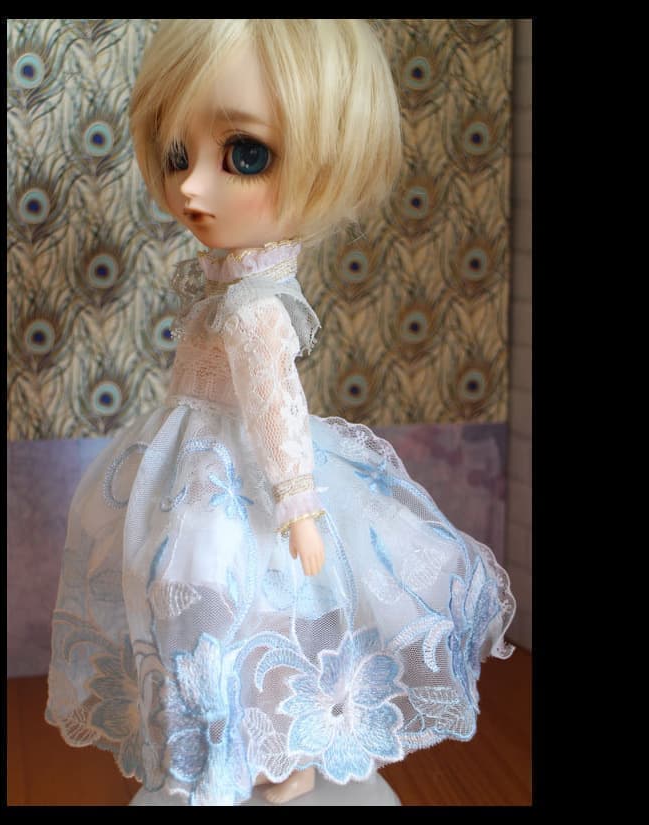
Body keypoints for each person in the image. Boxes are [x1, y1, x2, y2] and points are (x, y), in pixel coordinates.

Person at [46, 19, 516, 806]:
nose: (190, 188)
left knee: (247, 608)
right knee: (202, 612)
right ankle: (220, 745)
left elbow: (275, 406)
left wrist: (298, 505)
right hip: (186, 461)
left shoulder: (256, 307)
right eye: (176, 154)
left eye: (244, 154)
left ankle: (274, 753)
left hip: (241, 478)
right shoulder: (231, 285)